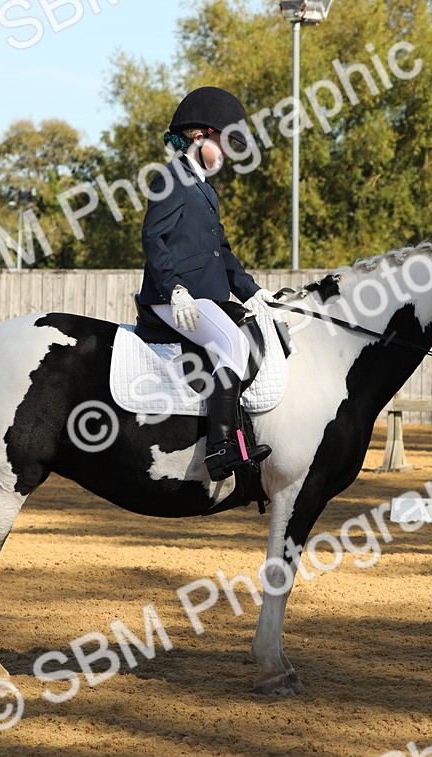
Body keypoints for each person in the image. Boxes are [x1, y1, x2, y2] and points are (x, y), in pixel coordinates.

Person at [136, 86, 275, 481]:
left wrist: (255, 292)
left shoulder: (206, 190)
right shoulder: (171, 177)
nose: (230, 153)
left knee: (248, 337)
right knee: (232, 344)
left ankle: (239, 438)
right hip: (173, 298)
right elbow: (153, 238)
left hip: (201, 298)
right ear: (200, 137)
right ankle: (220, 451)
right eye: (227, 142)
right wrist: (174, 288)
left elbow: (222, 252)